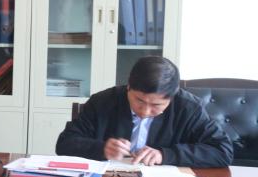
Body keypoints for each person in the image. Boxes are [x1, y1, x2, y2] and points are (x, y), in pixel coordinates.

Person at [55, 56, 233, 168]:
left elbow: (222, 151)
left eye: (156, 105)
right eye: (139, 100)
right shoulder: (102, 101)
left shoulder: (188, 108)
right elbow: (64, 144)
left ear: (172, 97)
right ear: (129, 87)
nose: (145, 111)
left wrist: (165, 155)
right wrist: (101, 148)